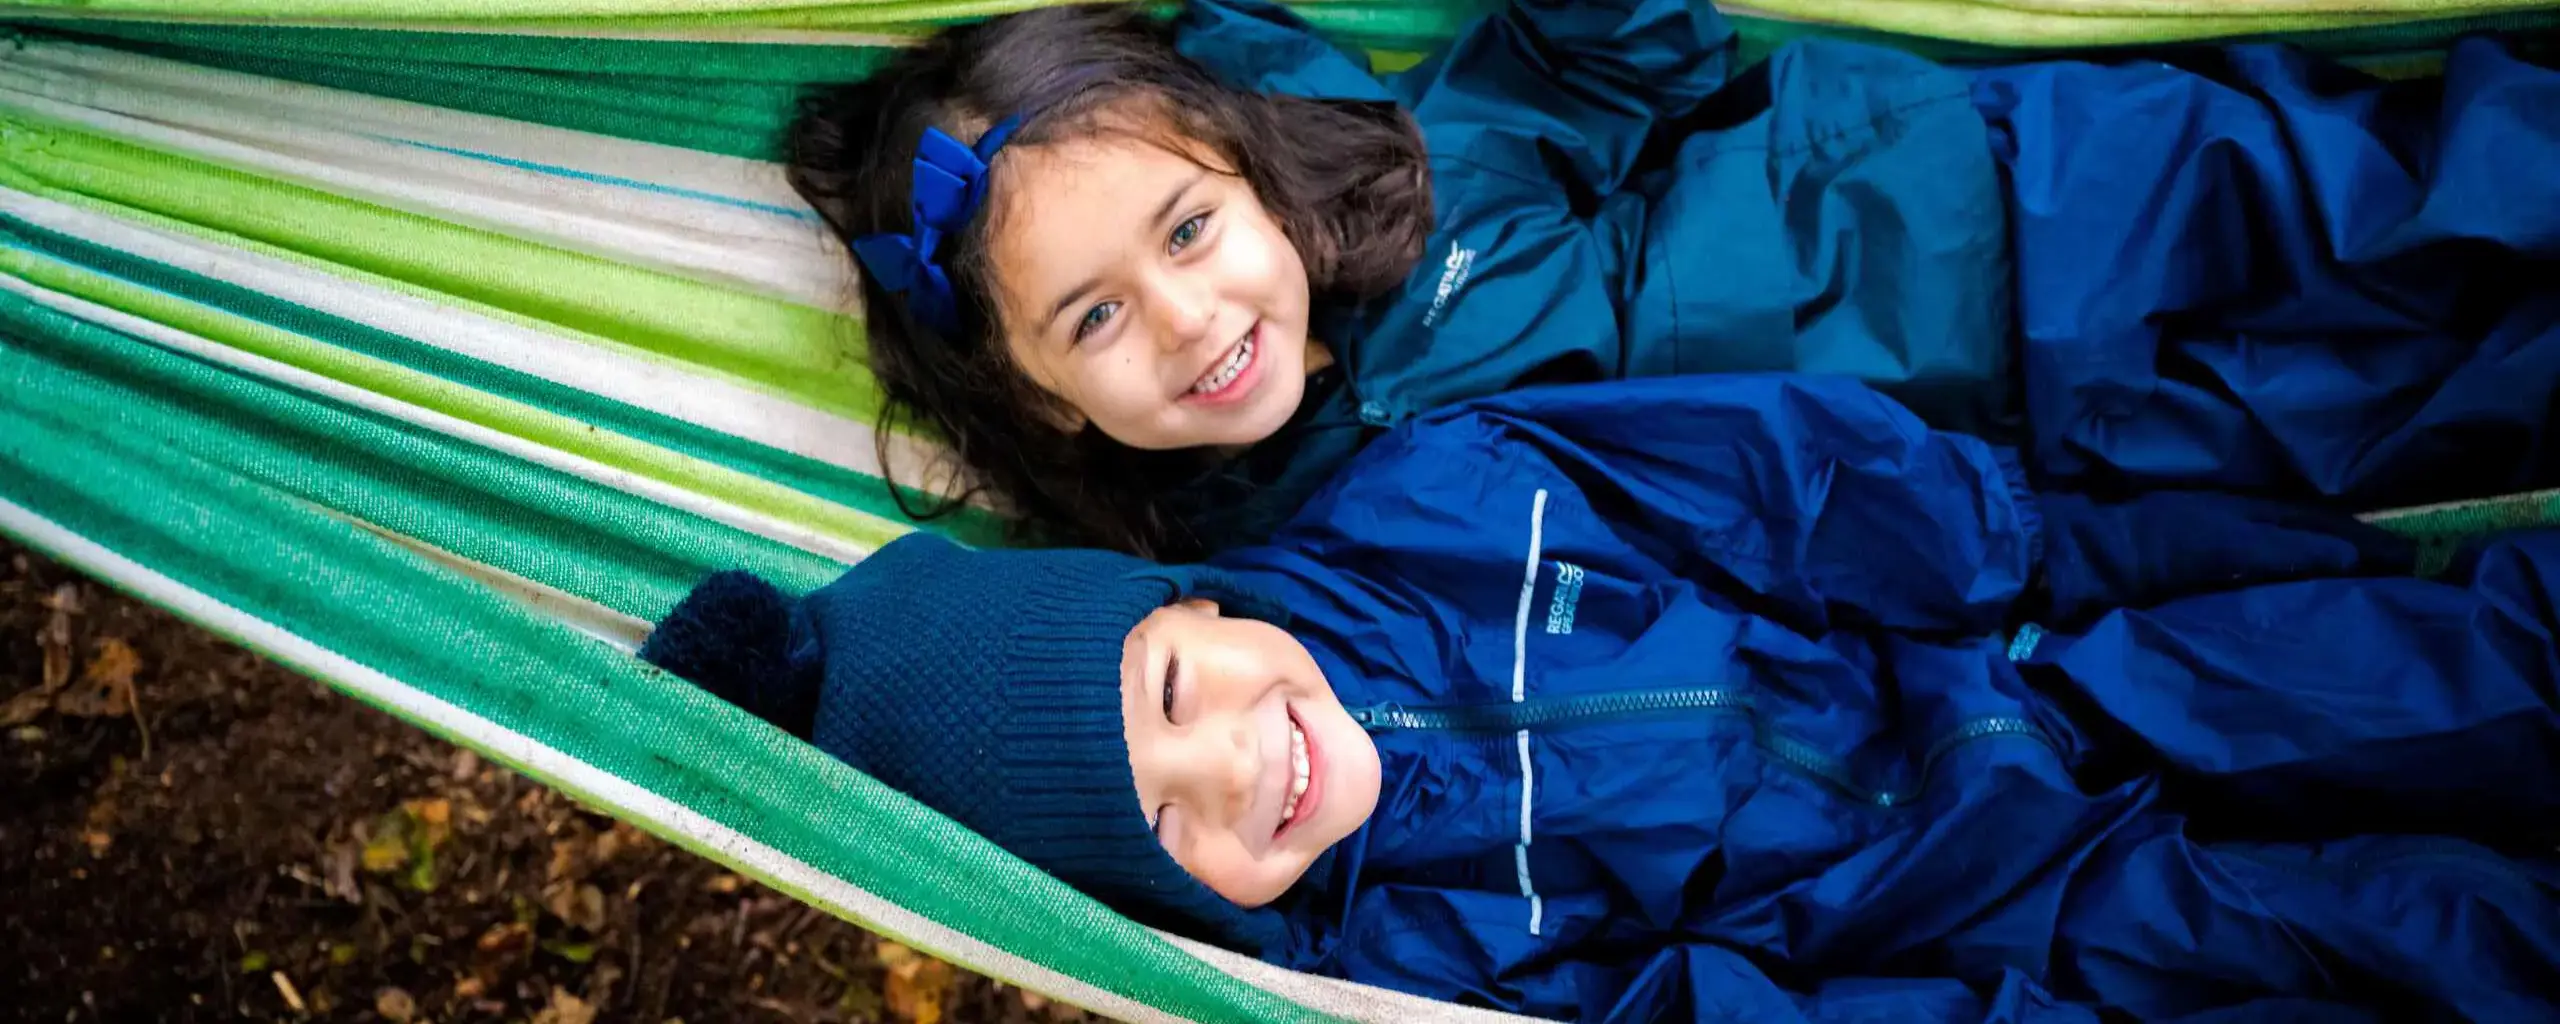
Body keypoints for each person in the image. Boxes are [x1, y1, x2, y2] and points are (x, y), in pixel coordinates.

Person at [641, 373, 2560, 1023]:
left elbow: (1774, 472)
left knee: (2462, 670)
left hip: (2022, 654)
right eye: (1166, 824)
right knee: (2421, 943)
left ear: (1189, 600)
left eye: (1171, 686)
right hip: (2005, 917)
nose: (1240, 759)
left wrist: (2025, 571)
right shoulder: (1406, 960)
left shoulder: (1445, 497)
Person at [786, 0, 2560, 558]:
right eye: (1095, 318)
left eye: (1189, 230)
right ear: (1035, 396)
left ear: (1252, 168)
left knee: (2423, 194)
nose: (1192, 319)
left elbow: (1635, 48)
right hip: (2024, 462)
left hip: (1987, 203)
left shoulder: (1424, 167)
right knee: (2415, 418)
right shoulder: (1265, 565)